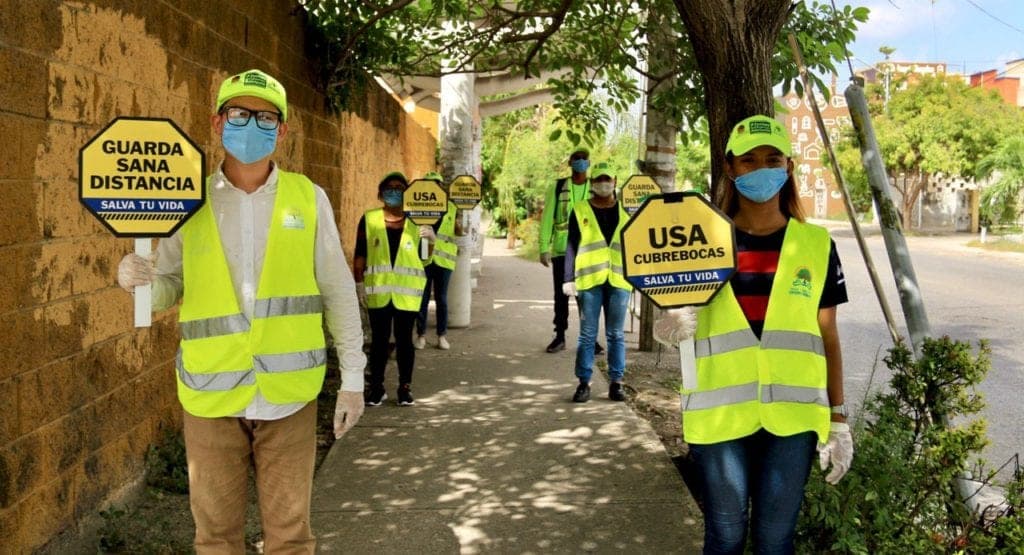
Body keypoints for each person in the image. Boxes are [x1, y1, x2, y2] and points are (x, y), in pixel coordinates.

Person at [116, 69, 366, 553]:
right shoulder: (188, 200)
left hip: (289, 395)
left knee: (291, 538)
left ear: (282, 130)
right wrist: (138, 281)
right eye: (238, 114)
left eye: (266, 117)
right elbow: (169, 286)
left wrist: (353, 380)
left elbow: (337, 290)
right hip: (211, 393)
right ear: (217, 123)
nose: (251, 125)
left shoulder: (308, 197)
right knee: (215, 539)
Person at [654, 114, 854, 554]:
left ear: (789, 167)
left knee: (774, 539)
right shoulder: (699, 239)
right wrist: (669, 326)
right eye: (749, 160)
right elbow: (677, 314)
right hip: (719, 413)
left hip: (793, 417)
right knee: (725, 535)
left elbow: (828, 337)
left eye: (772, 159)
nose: (761, 168)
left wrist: (838, 417)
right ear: (730, 168)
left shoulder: (817, 245)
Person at [353, 172, 432, 407]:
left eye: (399, 188)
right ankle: (376, 388)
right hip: (378, 293)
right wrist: (358, 284)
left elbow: (425, 259)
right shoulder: (369, 219)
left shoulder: (417, 221)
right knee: (379, 342)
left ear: (407, 194)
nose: (394, 191)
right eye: (389, 187)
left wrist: (430, 239)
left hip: (407, 295)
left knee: (404, 341)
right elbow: (360, 253)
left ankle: (405, 387)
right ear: (380, 193)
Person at [563, 162, 632, 402]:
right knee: (587, 334)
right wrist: (568, 278)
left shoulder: (627, 210)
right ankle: (584, 383)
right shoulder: (580, 209)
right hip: (589, 280)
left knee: (616, 334)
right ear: (592, 183)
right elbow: (571, 244)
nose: (603, 183)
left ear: (614, 181)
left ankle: (616, 383)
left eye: (607, 179)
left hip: (619, 279)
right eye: (599, 179)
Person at [538, 149, 603, 355]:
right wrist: (543, 247)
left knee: (586, 297)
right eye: (577, 158)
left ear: (589, 163)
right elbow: (547, 218)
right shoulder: (558, 187)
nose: (581, 161)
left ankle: (590, 339)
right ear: (570, 163)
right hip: (561, 250)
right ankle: (560, 336)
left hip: (588, 251)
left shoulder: (595, 188)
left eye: (584, 158)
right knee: (561, 296)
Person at [415, 171, 461, 351]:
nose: (433, 187)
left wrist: (463, 220)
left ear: (441, 187)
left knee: (441, 299)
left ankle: (442, 336)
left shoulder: (452, 208)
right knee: (423, 298)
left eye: (436, 184)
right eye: (429, 184)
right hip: (424, 256)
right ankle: (421, 335)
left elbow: (458, 232)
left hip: (444, 259)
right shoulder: (417, 207)